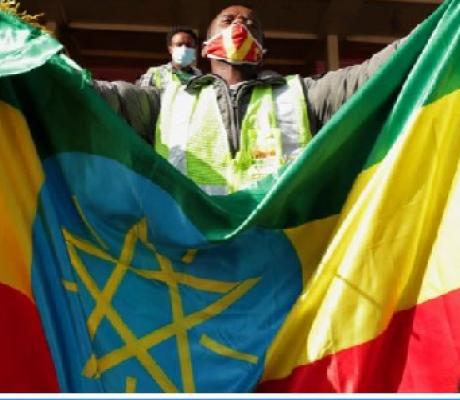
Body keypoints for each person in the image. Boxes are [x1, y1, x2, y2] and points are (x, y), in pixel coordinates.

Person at [94, 5, 404, 194]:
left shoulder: (302, 95)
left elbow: (370, 76)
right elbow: (106, 99)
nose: (240, 27)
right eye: (228, 21)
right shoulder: (166, 100)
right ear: (205, 48)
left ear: (262, 50)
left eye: (251, 24)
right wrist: (48, 64)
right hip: (189, 270)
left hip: (279, 273)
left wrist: (441, 27)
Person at [137, 26, 201, 90]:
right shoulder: (154, 74)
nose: (184, 49)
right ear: (170, 49)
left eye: (188, 45)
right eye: (179, 45)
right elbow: (142, 97)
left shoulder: (200, 77)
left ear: (195, 49)